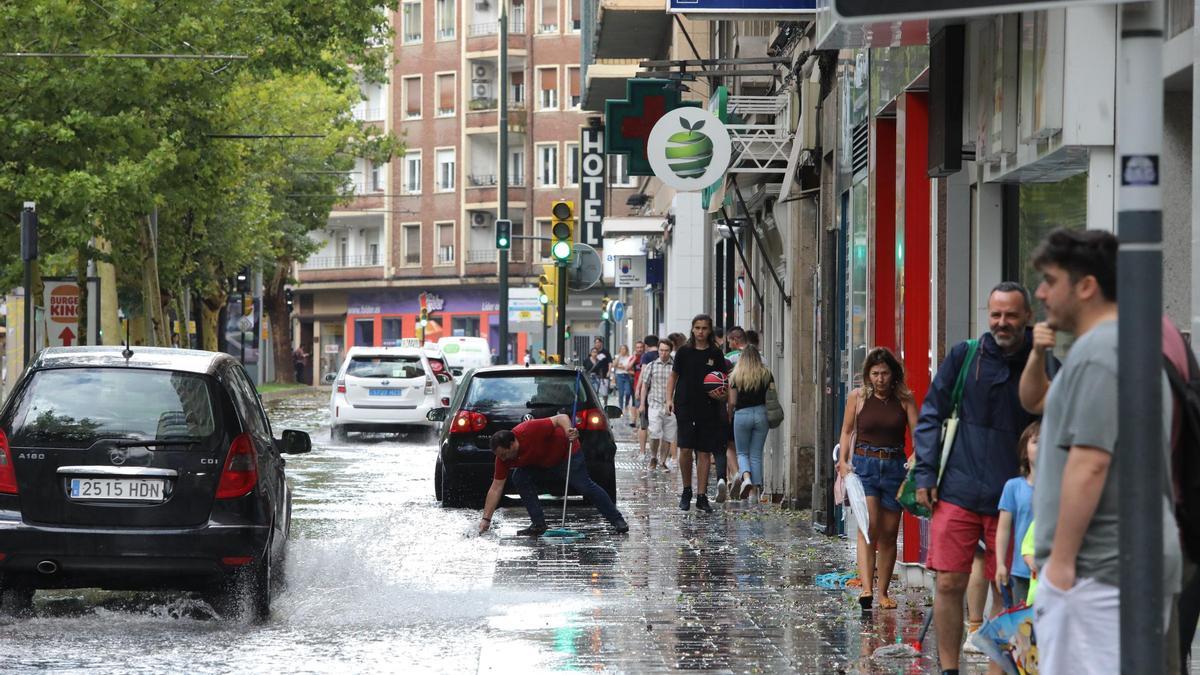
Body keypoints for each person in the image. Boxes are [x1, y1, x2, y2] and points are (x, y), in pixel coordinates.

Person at [1024, 228, 1180, 674]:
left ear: (1086, 286)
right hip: (1110, 570)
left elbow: (1090, 464)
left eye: (1051, 280)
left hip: (1097, 574)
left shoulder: (1100, 354)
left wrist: (1061, 568)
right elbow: (1033, 401)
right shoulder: (1117, 348)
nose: (1041, 292)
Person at [913, 281, 1039, 675]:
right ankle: (949, 669)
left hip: (1016, 497)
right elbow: (931, 413)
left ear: (1027, 318)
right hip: (958, 489)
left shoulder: (1043, 361)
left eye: (1011, 315)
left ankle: (997, 671)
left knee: (1007, 589)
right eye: (996, 314)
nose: (1002, 323)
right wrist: (926, 473)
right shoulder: (965, 356)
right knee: (949, 582)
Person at [838, 347, 919, 611]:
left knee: (889, 532)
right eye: (875, 373)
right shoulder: (858, 397)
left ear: (893, 374)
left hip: (895, 465)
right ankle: (866, 588)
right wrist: (843, 463)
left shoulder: (905, 399)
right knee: (868, 525)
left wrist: (916, 460)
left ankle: (883, 592)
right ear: (868, 375)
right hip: (865, 465)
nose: (880, 378)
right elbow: (847, 430)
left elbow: (919, 435)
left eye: (884, 373)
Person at [480, 413, 628, 536]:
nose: (503, 459)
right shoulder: (502, 458)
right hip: (542, 463)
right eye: (500, 456)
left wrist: (568, 431)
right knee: (519, 477)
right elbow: (496, 488)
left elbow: (561, 417)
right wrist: (486, 519)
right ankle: (538, 525)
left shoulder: (529, 430)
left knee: (585, 486)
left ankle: (617, 520)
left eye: (504, 454)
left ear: (513, 443)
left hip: (567, 454)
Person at [666, 315, 730, 513]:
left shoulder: (715, 353)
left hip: (708, 407)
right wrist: (669, 399)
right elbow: (673, 376)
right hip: (685, 405)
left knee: (704, 452)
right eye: (697, 328)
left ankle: (701, 495)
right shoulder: (684, 352)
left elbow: (723, 381)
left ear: (709, 331)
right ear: (692, 329)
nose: (700, 331)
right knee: (685, 449)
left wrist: (722, 396)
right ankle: (687, 490)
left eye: (704, 328)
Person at [995, 421, 1039, 604]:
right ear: (1024, 450)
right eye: (1036, 441)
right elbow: (1003, 529)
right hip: (1021, 570)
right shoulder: (1013, 487)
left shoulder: (1060, 487)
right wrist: (1000, 564)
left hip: (1051, 571)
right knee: (1022, 625)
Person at [728, 344, 778, 502]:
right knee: (756, 454)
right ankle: (754, 493)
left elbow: (732, 401)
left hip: (742, 414)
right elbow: (771, 396)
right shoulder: (766, 373)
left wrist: (730, 415)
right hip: (761, 413)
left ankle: (747, 478)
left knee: (742, 452)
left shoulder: (735, 375)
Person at [716, 326, 749, 501]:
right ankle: (752, 489)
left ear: (735, 340)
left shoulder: (728, 359)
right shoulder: (760, 358)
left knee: (730, 445)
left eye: (729, 341)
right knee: (751, 451)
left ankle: (735, 473)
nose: (728, 344)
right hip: (756, 407)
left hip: (735, 407)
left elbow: (724, 385)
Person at [639, 339, 676, 471]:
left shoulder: (675, 366)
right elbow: (645, 386)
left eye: (666, 350)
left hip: (671, 406)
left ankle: (662, 461)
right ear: (658, 350)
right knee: (654, 432)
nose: (663, 353)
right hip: (654, 404)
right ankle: (653, 457)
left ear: (670, 351)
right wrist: (642, 404)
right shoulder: (652, 365)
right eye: (661, 350)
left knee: (668, 435)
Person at [634, 334, 658, 444]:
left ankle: (642, 451)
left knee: (643, 424)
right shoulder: (662, 354)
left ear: (646, 345)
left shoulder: (646, 356)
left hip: (647, 391)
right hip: (659, 392)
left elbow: (643, 374)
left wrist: (637, 389)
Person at [613, 344, 635, 416]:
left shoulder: (629, 357)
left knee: (628, 392)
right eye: (621, 349)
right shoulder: (617, 356)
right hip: (619, 376)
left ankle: (626, 405)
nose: (623, 350)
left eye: (624, 349)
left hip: (627, 376)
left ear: (627, 350)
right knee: (621, 393)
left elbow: (628, 367)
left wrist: (621, 366)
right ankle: (621, 407)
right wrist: (619, 357)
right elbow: (614, 365)